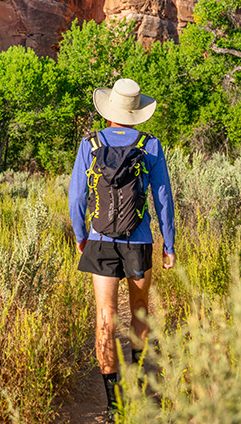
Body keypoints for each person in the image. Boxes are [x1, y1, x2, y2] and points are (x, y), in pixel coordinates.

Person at [68, 78, 176, 422]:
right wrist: (169, 245)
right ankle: (141, 390)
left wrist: (81, 234)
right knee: (140, 312)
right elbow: (163, 199)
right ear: (136, 112)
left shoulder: (90, 142)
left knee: (105, 318)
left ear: (110, 109)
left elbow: (76, 198)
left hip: (100, 241)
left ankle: (115, 406)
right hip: (140, 242)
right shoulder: (151, 145)